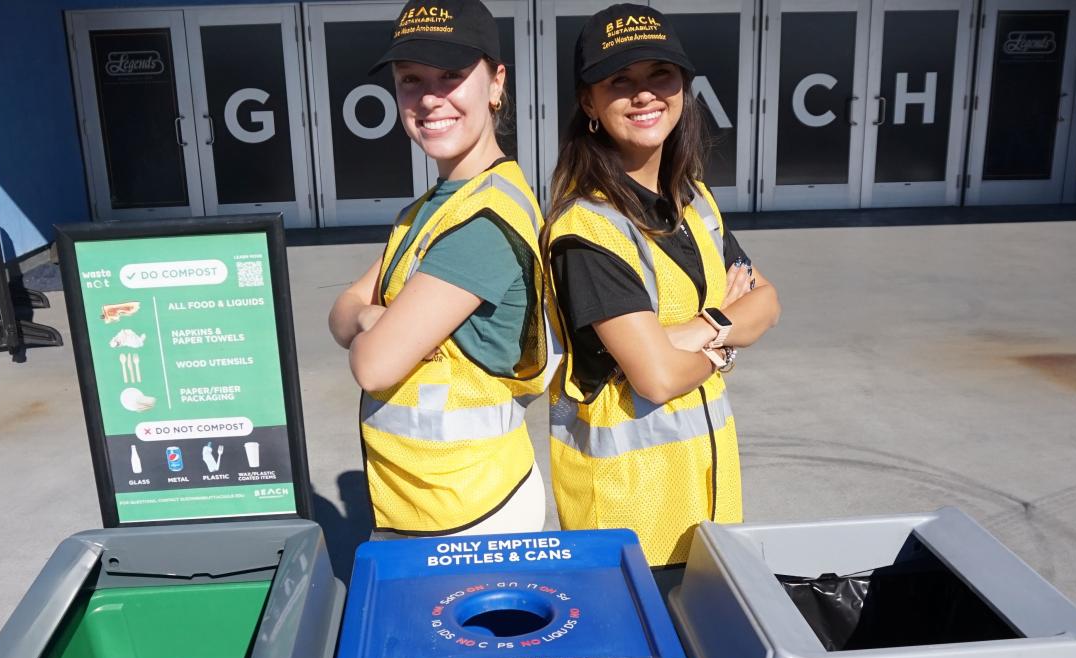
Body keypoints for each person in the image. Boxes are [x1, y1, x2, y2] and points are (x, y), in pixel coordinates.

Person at [543, 4, 780, 569]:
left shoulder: (693, 200)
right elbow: (658, 376)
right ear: (589, 103)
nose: (643, 94)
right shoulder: (586, 230)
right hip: (629, 519)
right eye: (618, 81)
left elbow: (768, 302)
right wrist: (721, 331)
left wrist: (689, 334)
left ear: (683, 88)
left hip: (707, 495)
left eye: (659, 76)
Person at [329, 0, 553, 538]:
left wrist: (375, 325)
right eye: (411, 80)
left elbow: (373, 367)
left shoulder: (482, 224)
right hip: (428, 503)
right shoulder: (430, 208)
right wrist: (370, 319)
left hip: (470, 514)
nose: (430, 98)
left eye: (452, 76)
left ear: (497, 84)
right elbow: (342, 315)